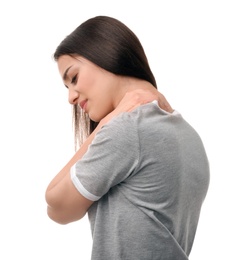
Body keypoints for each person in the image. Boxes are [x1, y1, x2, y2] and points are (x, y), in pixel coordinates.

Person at [45, 16, 210, 260]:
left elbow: (56, 206)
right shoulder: (189, 135)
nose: (70, 97)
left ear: (105, 53)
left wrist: (105, 123)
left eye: (74, 78)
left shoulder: (128, 130)